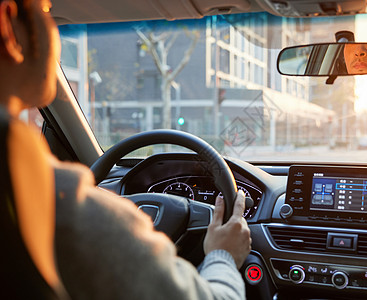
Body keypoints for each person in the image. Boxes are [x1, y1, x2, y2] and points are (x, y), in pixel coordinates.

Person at [0, 0, 251, 299]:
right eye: (45, 8)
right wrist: (222, 255)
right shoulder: (61, 206)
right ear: (8, 26)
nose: (52, 25)